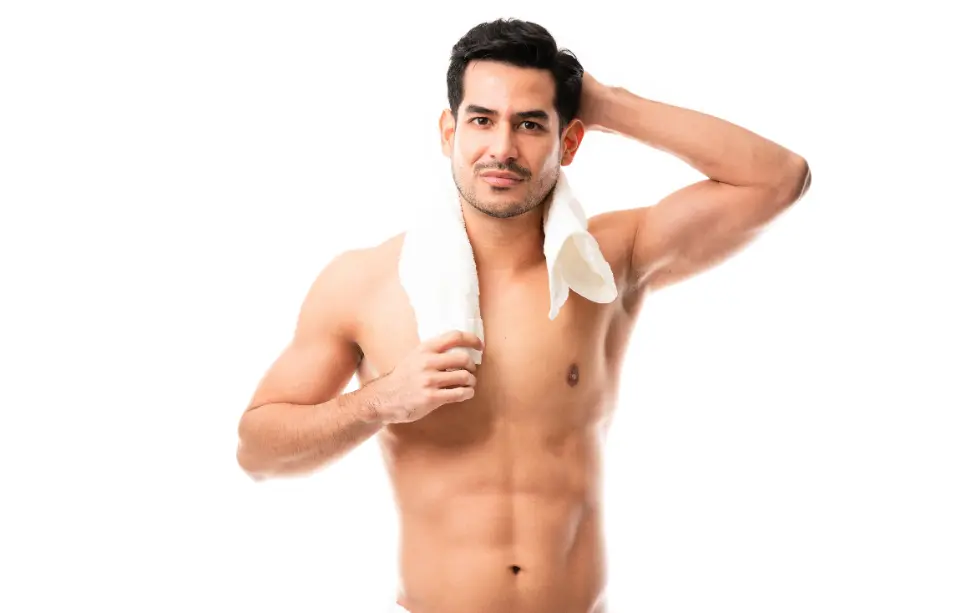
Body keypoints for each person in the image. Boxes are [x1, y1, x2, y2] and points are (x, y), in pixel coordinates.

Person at [235, 18, 811, 613]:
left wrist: (607, 102)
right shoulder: (365, 284)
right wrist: (382, 400)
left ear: (570, 142)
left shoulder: (608, 263)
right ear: (449, 132)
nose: (503, 149)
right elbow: (257, 450)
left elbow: (779, 178)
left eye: (531, 124)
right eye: (482, 120)